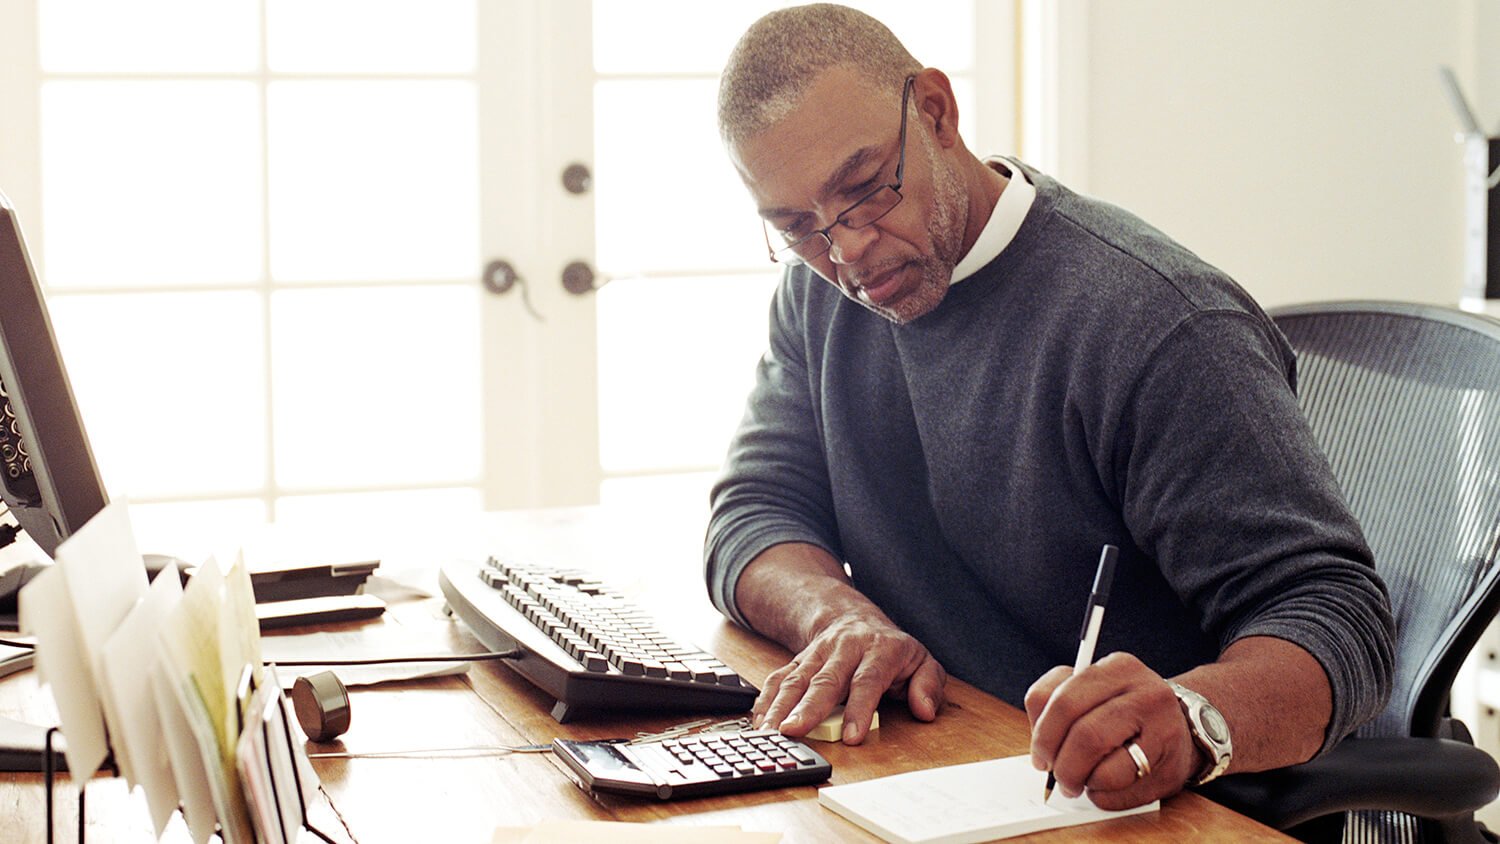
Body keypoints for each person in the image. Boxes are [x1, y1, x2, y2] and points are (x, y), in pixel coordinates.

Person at [702, 3, 1395, 811]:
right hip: (937, 772)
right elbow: (755, 512)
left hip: (1141, 808)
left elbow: (1339, 616)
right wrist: (838, 620)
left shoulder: (1156, 325)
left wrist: (1191, 717)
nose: (845, 250)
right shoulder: (819, 296)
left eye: (864, 190)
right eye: (798, 227)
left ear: (936, 112)